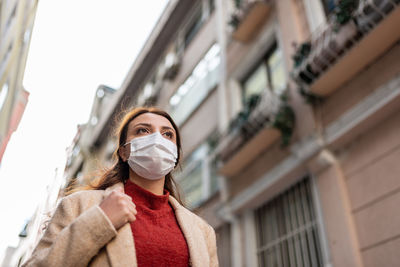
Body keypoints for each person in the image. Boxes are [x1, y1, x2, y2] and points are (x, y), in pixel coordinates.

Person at [23, 107, 219, 267]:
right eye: (143, 130)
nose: (157, 139)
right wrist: (99, 221)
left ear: (175, 154)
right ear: (124, 152)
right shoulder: (78, 206)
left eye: (168, 134)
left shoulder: (202, 232)